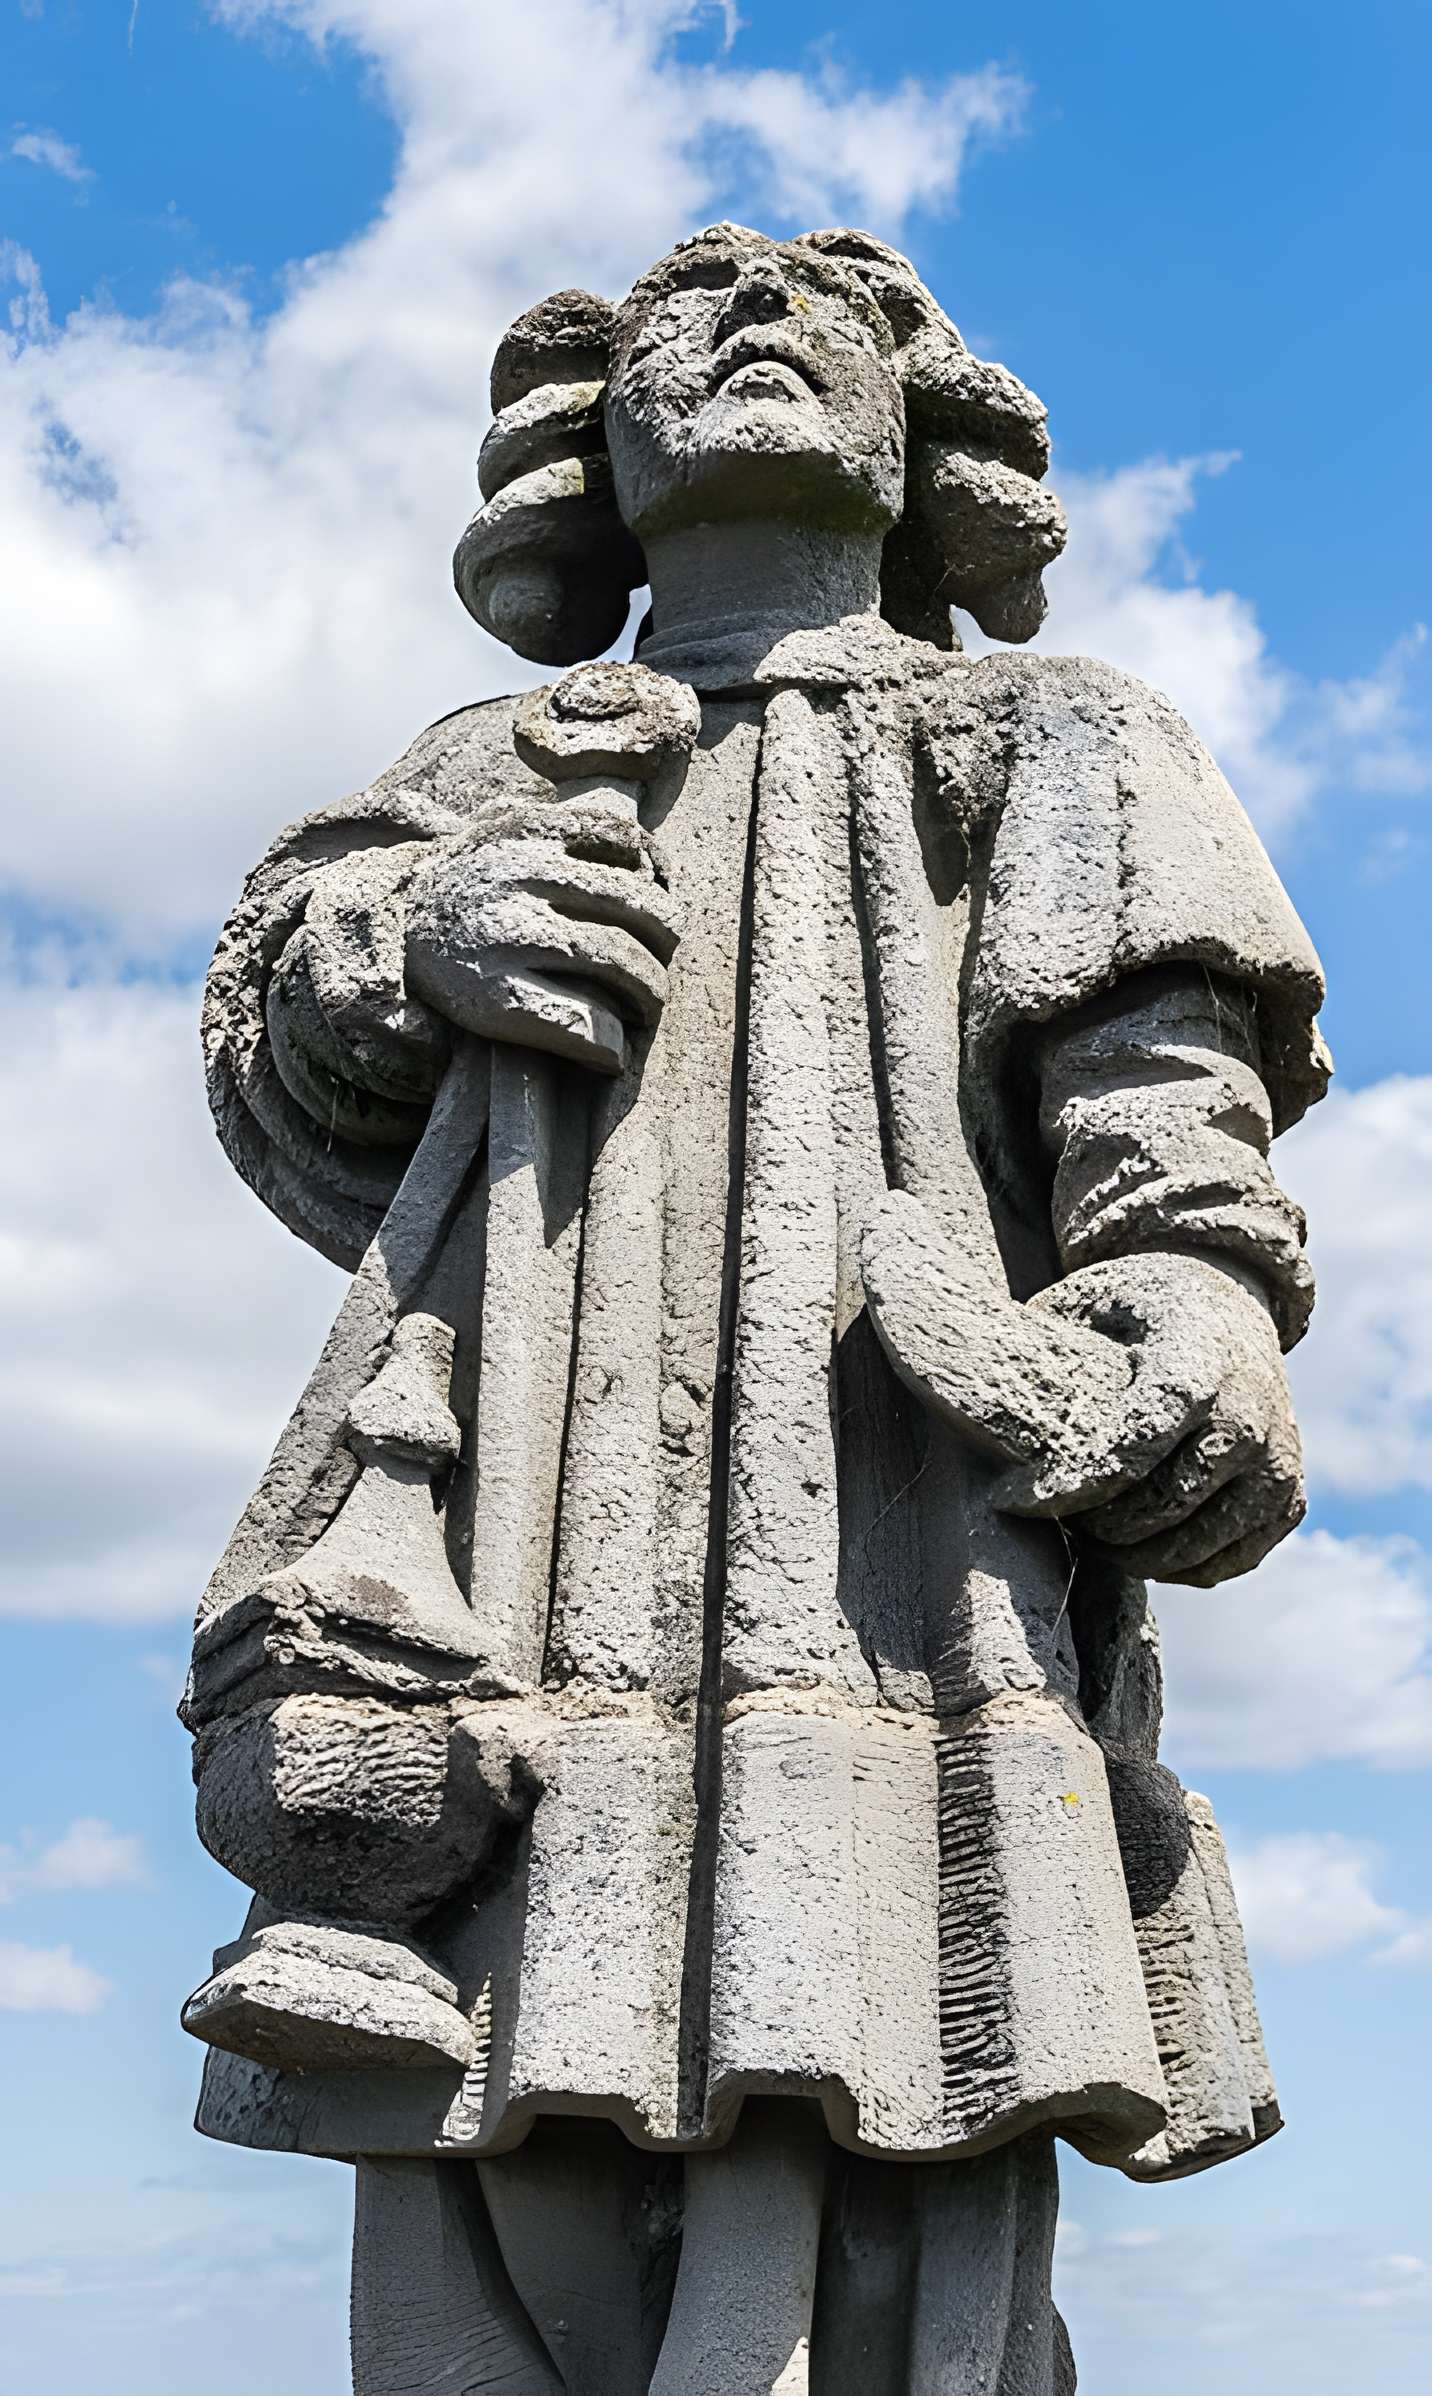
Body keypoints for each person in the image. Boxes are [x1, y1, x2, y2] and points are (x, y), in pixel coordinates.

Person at [182, 225, 1328, 2394]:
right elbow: (279, 1025)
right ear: (589, 456)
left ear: (921, 449)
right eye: (683, 311)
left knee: (898, 2113)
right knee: (481, 2127)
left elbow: (1165, 1110)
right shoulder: (497, 762)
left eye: (826, 308)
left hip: (904, 1561)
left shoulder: (1048, 734)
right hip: (508, 1566)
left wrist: (1184, 1315)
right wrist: (412, 929)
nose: (749, 324)